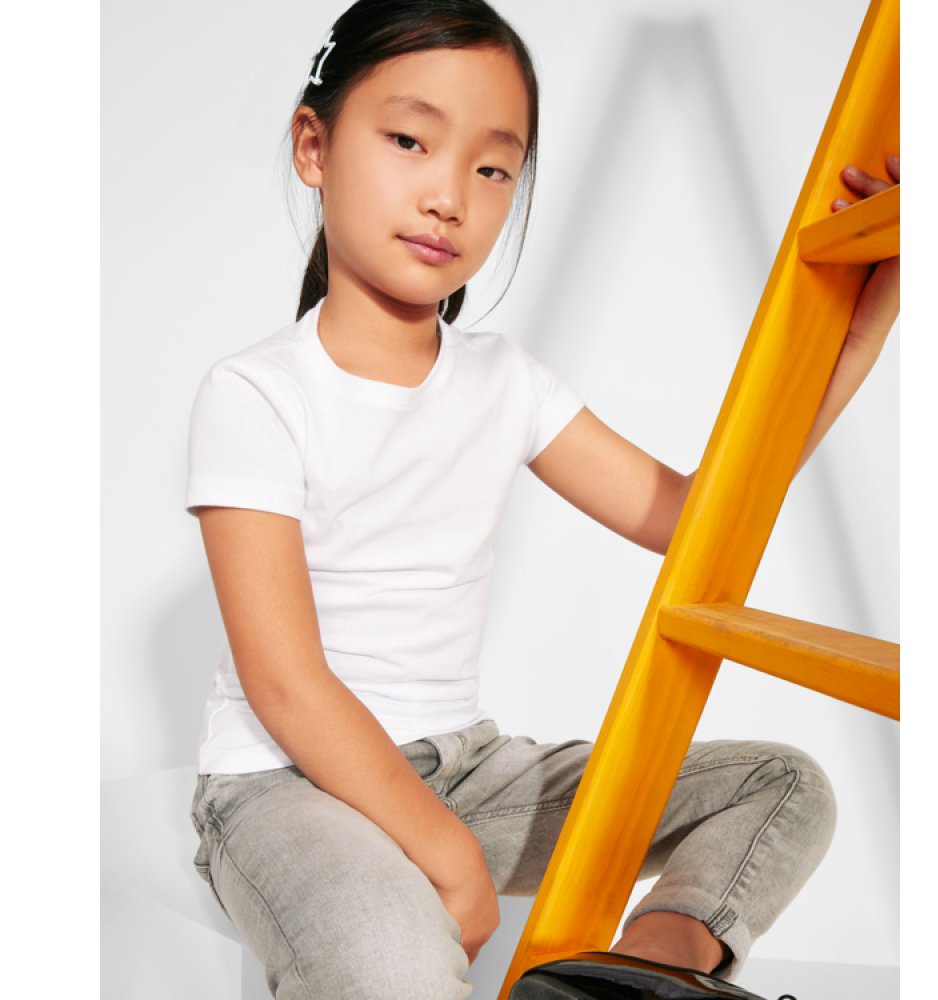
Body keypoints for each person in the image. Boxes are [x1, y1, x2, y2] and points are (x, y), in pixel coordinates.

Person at [185, 1, 899, 997]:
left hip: (467, 773)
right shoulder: (257, 392)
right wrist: (446, 855)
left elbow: (687, 518)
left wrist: (859, 331)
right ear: (315, 145)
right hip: (287, 786)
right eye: (408, 141)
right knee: (395, 962)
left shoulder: (504, 379)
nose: (449, 197)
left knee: (783, 786)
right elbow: (286, 685)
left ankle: (628, 982)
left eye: (493, 169)